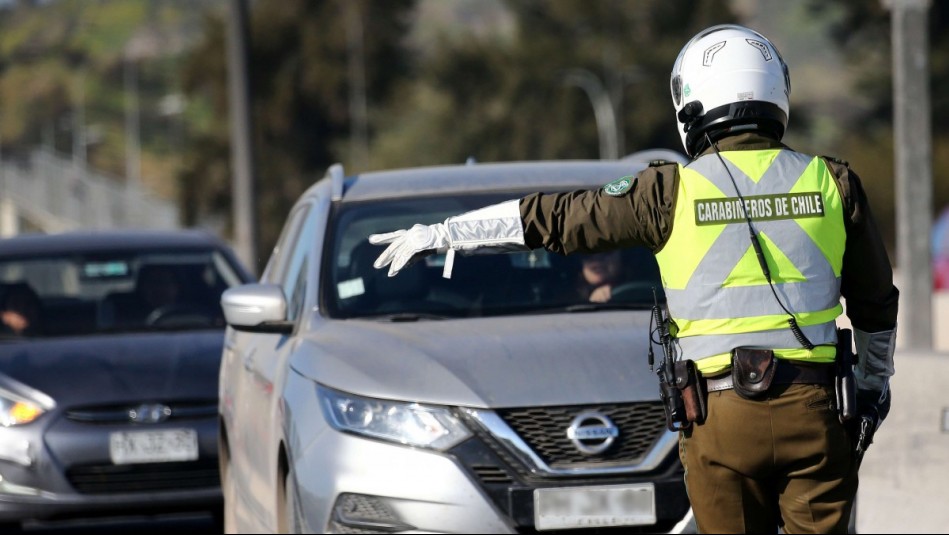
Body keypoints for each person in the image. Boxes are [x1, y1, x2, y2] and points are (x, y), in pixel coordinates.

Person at [369, 24, 898, 534]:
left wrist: (446, 232)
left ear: (693, 104)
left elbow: (556, 220)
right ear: (776, 94)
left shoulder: (667, 193)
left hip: (720, 420)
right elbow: (877, 303)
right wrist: (871, 392)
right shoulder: (834, 183)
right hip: (816, 411)